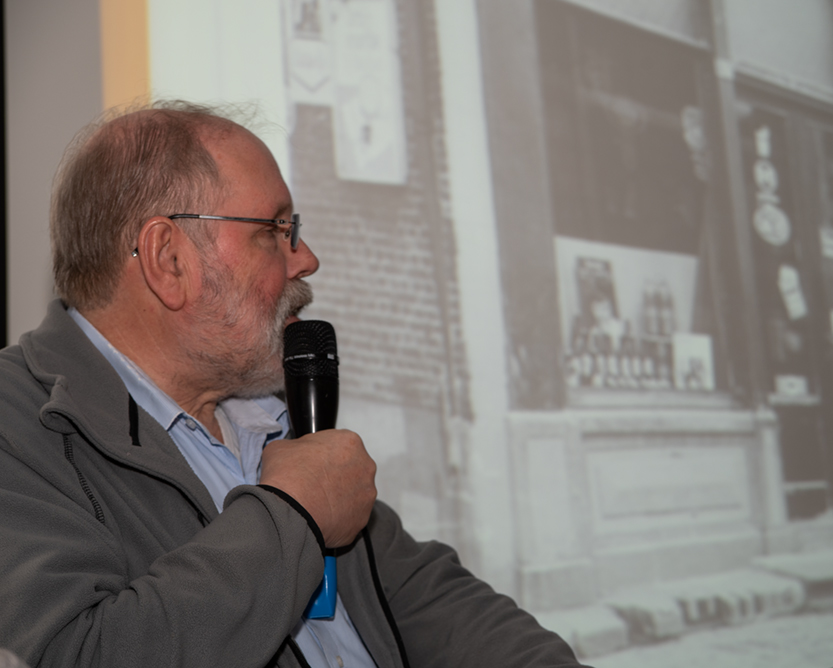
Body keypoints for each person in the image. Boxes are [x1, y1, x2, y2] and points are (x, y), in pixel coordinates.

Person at [0, 101, 586, 668]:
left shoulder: (266, 411)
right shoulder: (18, 426)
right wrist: (293, 514)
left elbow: (424, 596)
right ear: (169, 259)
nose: (306, 258)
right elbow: (77, 654)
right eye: (275, 229)